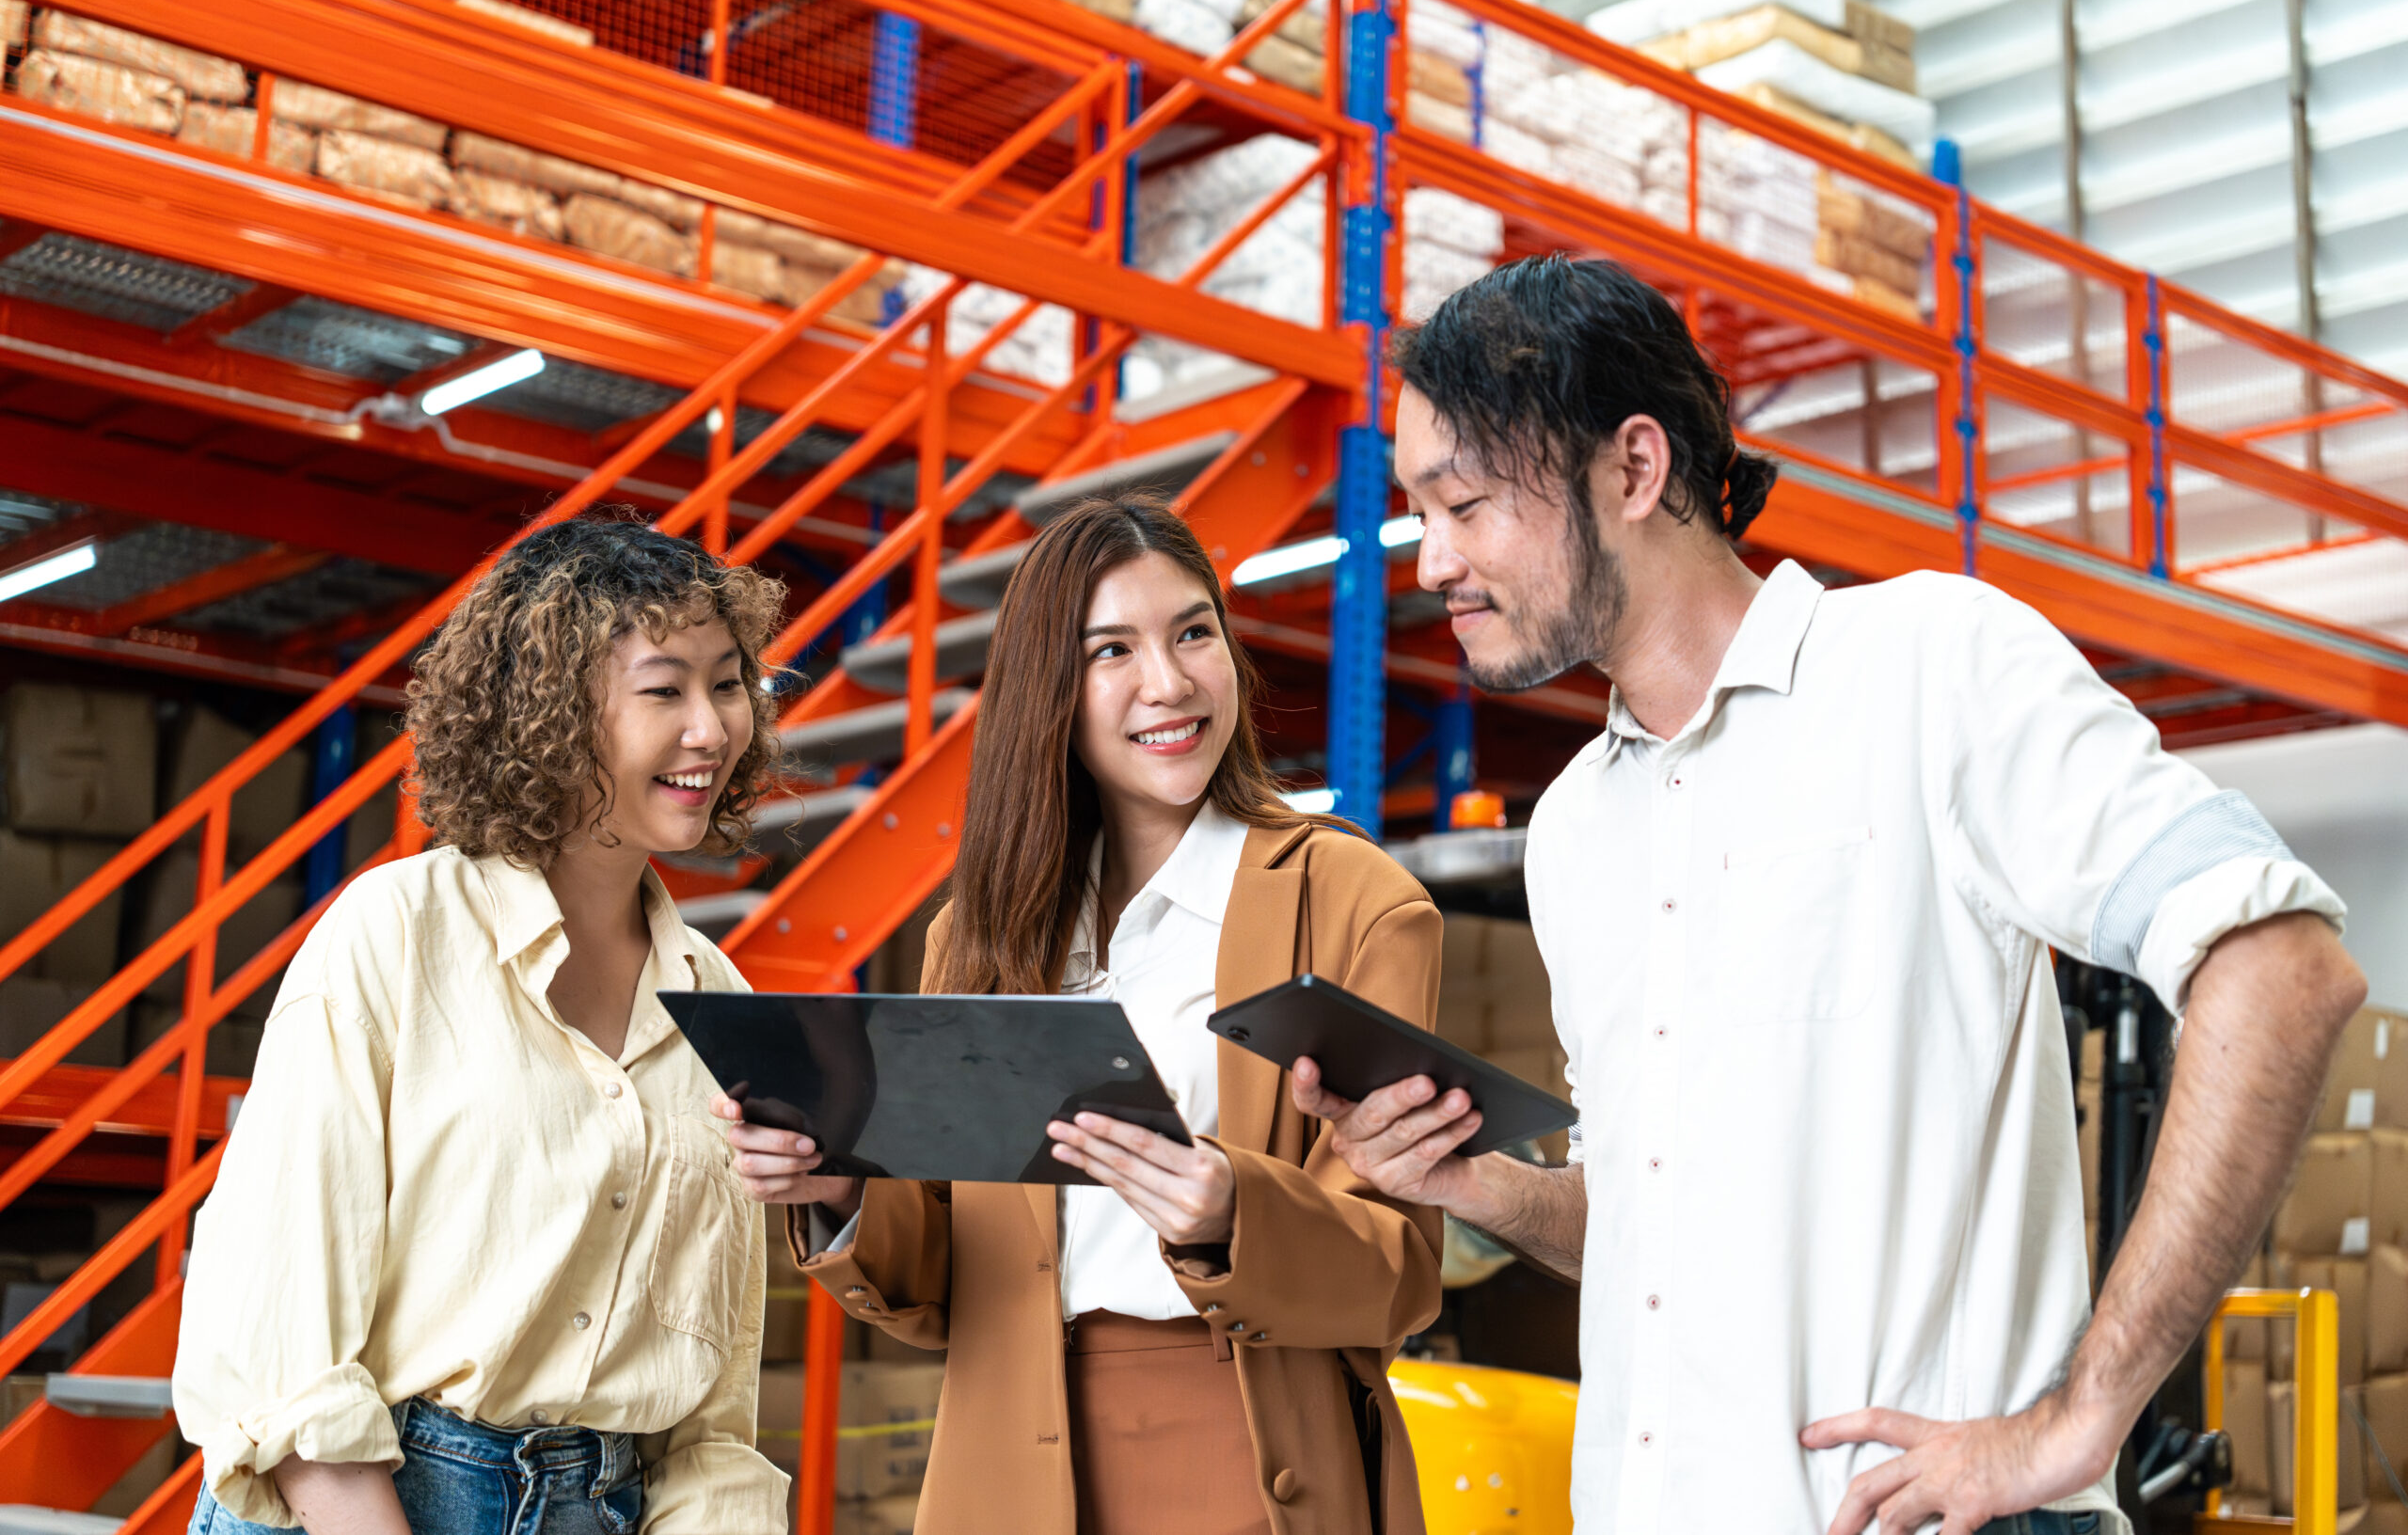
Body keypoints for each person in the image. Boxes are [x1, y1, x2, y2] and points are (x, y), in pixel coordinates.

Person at [1291, 256, 2368, 1535]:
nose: (1432, 563)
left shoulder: (1930, 670)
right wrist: (1489, 1190)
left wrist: (2084, 1415)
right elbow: (1664, 1228)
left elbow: (2281, 962)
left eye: (1464, 504)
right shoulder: (1577, 826)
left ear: (1635, 469)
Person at [713, 495, 1445, 1535]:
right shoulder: (976, 937)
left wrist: (1232, 1213)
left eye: (1194, 631)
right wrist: (839, 1185)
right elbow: (939, 1283)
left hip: (1256, 1457)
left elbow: (1402, 1274)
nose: (1169, 681)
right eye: (1112, 650)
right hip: (1011, 1469)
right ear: (1047, 690)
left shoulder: (1353, 903)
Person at [173, 519, 791, 1535]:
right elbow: (283, 1346)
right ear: (551, 711)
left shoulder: (719, 1003)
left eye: (728, 685)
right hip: (372, 1502)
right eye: (664, 688)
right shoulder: (392, 936)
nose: (713, 730)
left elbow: (712, 1399)